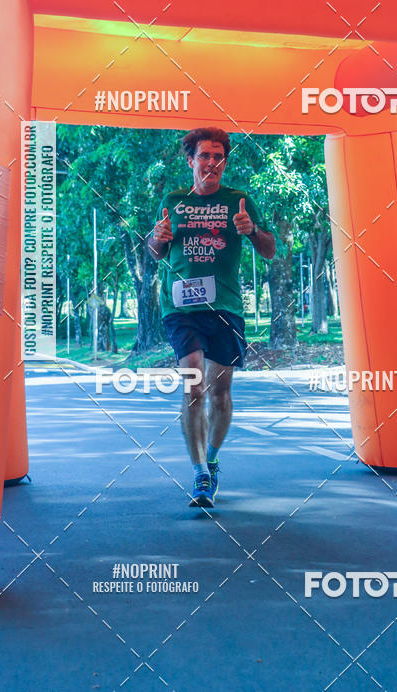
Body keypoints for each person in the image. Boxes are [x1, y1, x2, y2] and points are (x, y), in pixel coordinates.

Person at [147, 127, 276, 508]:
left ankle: (213, 458)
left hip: (225, 308)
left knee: (219, 394)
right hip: (181, 308)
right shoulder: (173, 201)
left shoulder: (239, 200)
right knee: (193, 385)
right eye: (204, 155)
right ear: (191, 161)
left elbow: (269, 250)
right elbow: (155, 252)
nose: (212, 163)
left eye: (218, 157)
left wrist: (252, 231)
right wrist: (158, 237)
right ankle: (200, 472)